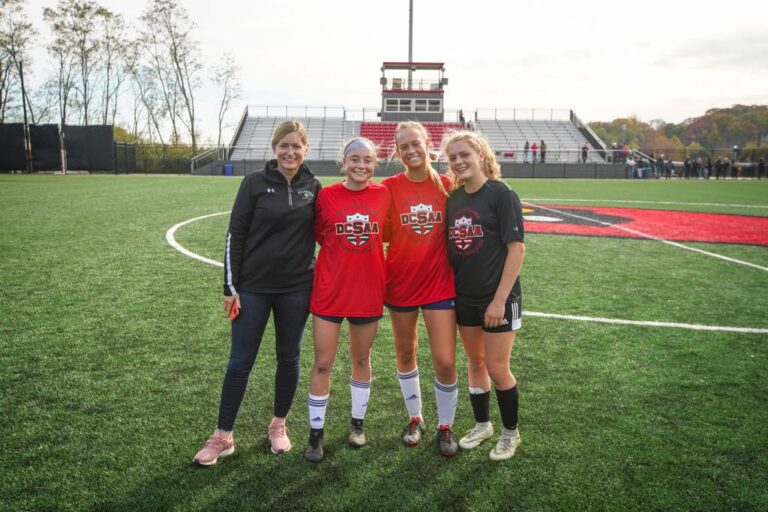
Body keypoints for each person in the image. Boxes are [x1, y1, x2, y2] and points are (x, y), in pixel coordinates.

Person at [192, 120, 321, 465]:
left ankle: (278, 425)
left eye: (296, 146)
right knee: (240, 362)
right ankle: (223, 436)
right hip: (253, 290)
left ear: (305, 149)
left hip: (297, 289)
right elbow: (235, 235)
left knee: (289, 357)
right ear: (274, 149)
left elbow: (326, 234)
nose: (290, 152)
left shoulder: (315, 186)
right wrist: (230, 287)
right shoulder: (254, 184)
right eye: (284, 146)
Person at [303, 138, 391, 462]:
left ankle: (357, 424)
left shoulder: (384, 196)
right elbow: (318, 235)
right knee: (323, 362)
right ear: (344, 161)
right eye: (355, 159)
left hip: (368, 292)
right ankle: (316, 433)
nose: (361, 166)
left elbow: (390, 234)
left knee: (361, 360)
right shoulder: (326, 196)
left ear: (374, 163)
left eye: (367, 160)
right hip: (329, 291)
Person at [442, 131, 526, 461]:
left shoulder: (502, 194)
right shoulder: (454, 199)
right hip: (465, 296)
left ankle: (510, 433)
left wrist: (499, 300)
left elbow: (516, 250)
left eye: (465, 154)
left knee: (496, 366)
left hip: (498, 299)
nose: (459, 161)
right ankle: (483, 424)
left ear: (480, 154)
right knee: (475, 363)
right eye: (452, 158)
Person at [382, 121, 459, 457]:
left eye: (416, 143)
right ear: (397, 152)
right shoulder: (388, 188)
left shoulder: (448, 186)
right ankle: (415, 417)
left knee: (444, 359)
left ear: (429, 143)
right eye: (404, 146)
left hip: (439, 283)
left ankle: (446, 425)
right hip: (399, 283)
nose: (411, 150)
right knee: (405, 353)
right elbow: (380, 233)